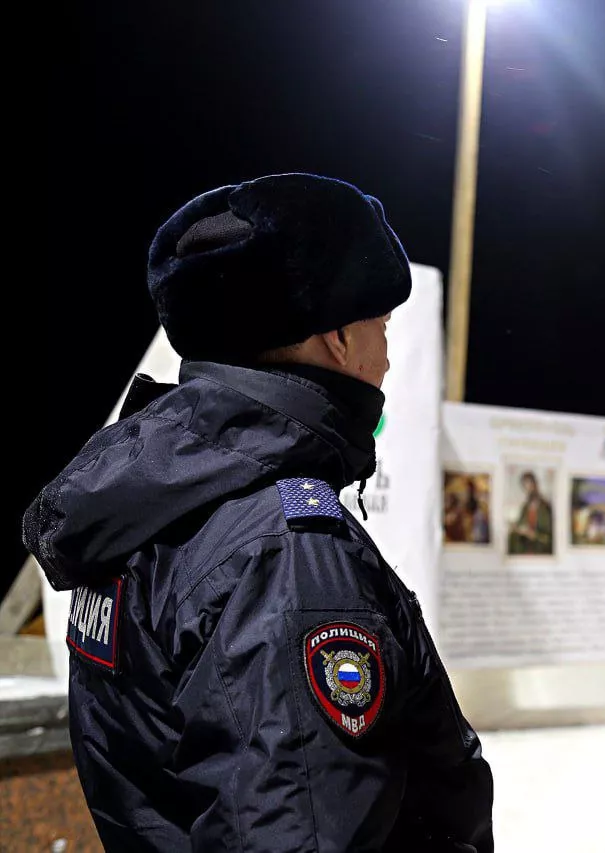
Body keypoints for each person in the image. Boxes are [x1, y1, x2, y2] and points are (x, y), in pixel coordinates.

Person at [23, 174, 494, 852]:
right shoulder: (282, 550)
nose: (387, 356)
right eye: (381, 326)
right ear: (335, 337)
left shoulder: (153, 502)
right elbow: (299, 829)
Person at [508, 471, 553, 555]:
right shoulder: (525, 508)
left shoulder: (546, 508)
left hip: (541, 553)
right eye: (525, 487)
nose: (528, 489)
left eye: (530, 485)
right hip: (525, 551)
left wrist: (534, 535)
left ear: (536, 485)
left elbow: (550, 538)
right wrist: (515, 527)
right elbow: (520, 525)